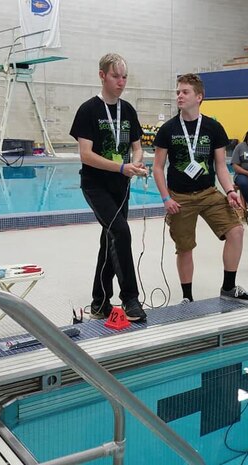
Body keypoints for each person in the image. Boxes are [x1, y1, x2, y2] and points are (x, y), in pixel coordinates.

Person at [152, 73, 248, 306]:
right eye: (178, 91)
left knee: (236, 231)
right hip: (179, 197)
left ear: (199, 97)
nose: (179, 95)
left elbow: (221, 165)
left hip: (209, 193)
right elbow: (158, 168)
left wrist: (230, 191)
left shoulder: (213, 127)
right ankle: (187, 297)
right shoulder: (168, 129)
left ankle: (229, 288)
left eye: (185, 92)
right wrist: (166, 198)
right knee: (185, 248)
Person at [69, 53, 147, 322]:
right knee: (121, 233)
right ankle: (130, 298)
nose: (121, 82)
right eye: (116, 76)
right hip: (96, 185)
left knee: (109, 240)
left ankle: (100, 302)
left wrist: (135, 164)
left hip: (121, 185)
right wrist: (122, 167)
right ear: (102, 75)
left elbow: (137, 148)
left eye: (124, 77)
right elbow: (86, 155)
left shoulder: (128, 110)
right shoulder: (88, 110)